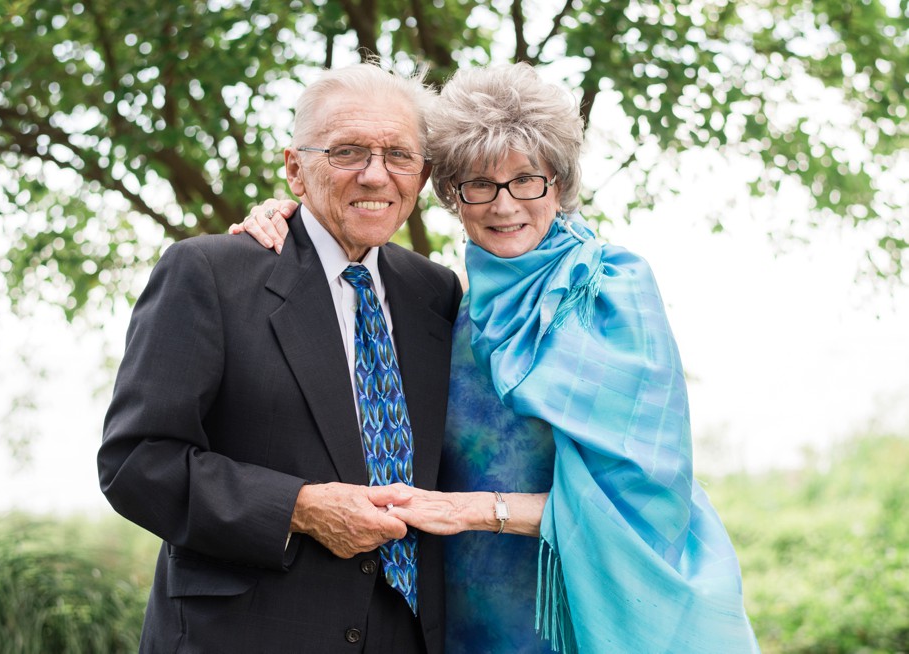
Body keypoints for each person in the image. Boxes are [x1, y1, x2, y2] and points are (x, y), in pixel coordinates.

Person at [236, 62, 759, 653]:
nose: (503, 204)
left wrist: (476, 512)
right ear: (452, 196)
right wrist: (293, 212)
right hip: (463, 620)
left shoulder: (612, 288)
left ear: (558, 184)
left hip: (582, 616)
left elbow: (645, 497)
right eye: (479, 184)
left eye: (526, 179)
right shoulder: (448, 306)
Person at [99, 62, 463, 653]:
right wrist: (301, 507)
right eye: (348, 152)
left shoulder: (437, 293)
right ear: (295, 168)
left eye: (399, 155)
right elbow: (136, 463)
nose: (377, 176)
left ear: (421, 176)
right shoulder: (210, 273)